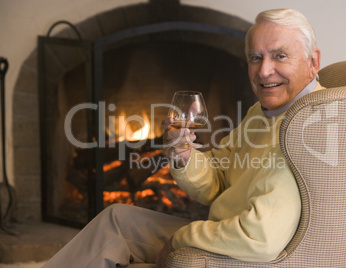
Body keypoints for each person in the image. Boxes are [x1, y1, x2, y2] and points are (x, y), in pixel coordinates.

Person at [43, 8, 323, 268]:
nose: (263, 71)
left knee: (118, 230)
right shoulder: (267, 111)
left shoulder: (299, 130)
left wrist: (180, 240)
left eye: (280, 56)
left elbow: (259, 238)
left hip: (237, 253)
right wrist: (186, 156)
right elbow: (219, 177)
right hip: (222, 232)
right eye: (255, 57)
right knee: (116, 219)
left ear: (313, 62)